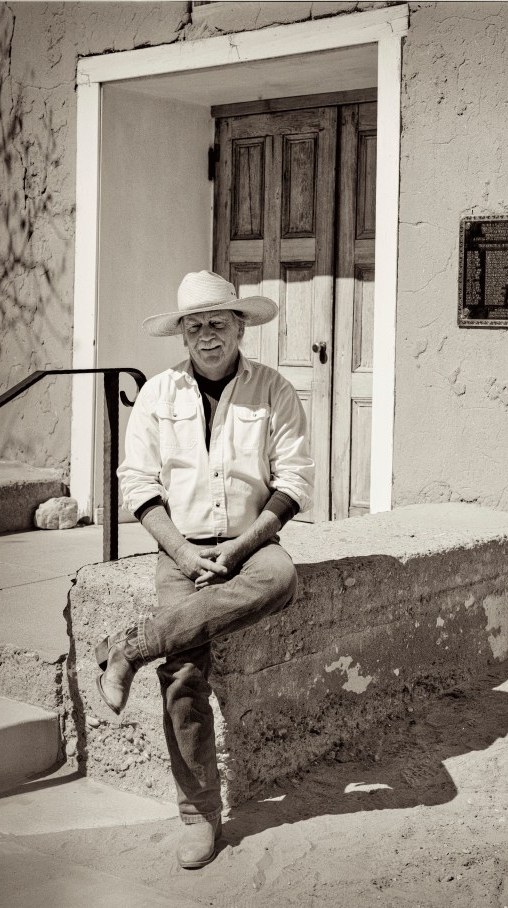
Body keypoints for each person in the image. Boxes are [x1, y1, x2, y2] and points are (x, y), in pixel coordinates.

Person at [97, 270, 314, 869]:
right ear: (182, 335)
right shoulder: (158, 397)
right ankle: (198, 815)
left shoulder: (274, 390)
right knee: (184, 671)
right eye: (195, 327)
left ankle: (130, 647)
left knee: (281, 579)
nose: (207, 336)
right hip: (178, 545)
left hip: (251, 541)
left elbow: (294, 481)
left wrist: (241, 548)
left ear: (240, 326)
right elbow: (137, 483)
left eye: (218, 323)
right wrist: (185, 553)